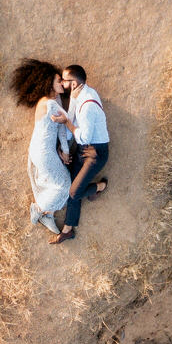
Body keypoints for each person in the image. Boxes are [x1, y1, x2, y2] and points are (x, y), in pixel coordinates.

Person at [10, 59, 72, 240]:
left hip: (42, 150)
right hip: (44, 152)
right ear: (48, 84)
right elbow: (66, 121)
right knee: (64, 186)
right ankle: (38, 209)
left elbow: (60, 129)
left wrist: (65, 150)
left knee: (61, 184)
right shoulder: (50, 104)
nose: (62, 83)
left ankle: (48, 215)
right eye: (58, 81)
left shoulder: (49, 101)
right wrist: (66, 151)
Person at [49, 64, 109, 245]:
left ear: (73, 84)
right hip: (85, 149)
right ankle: (68, 230)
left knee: (74, 193)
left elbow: (82, 137)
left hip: (95, 153)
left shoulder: (88, 105)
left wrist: (66, 123)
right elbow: (72, 117)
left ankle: (100, 187)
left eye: (64, 81)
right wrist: (65, 147)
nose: (62, 83)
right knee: (71, 184)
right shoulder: (78, 94)